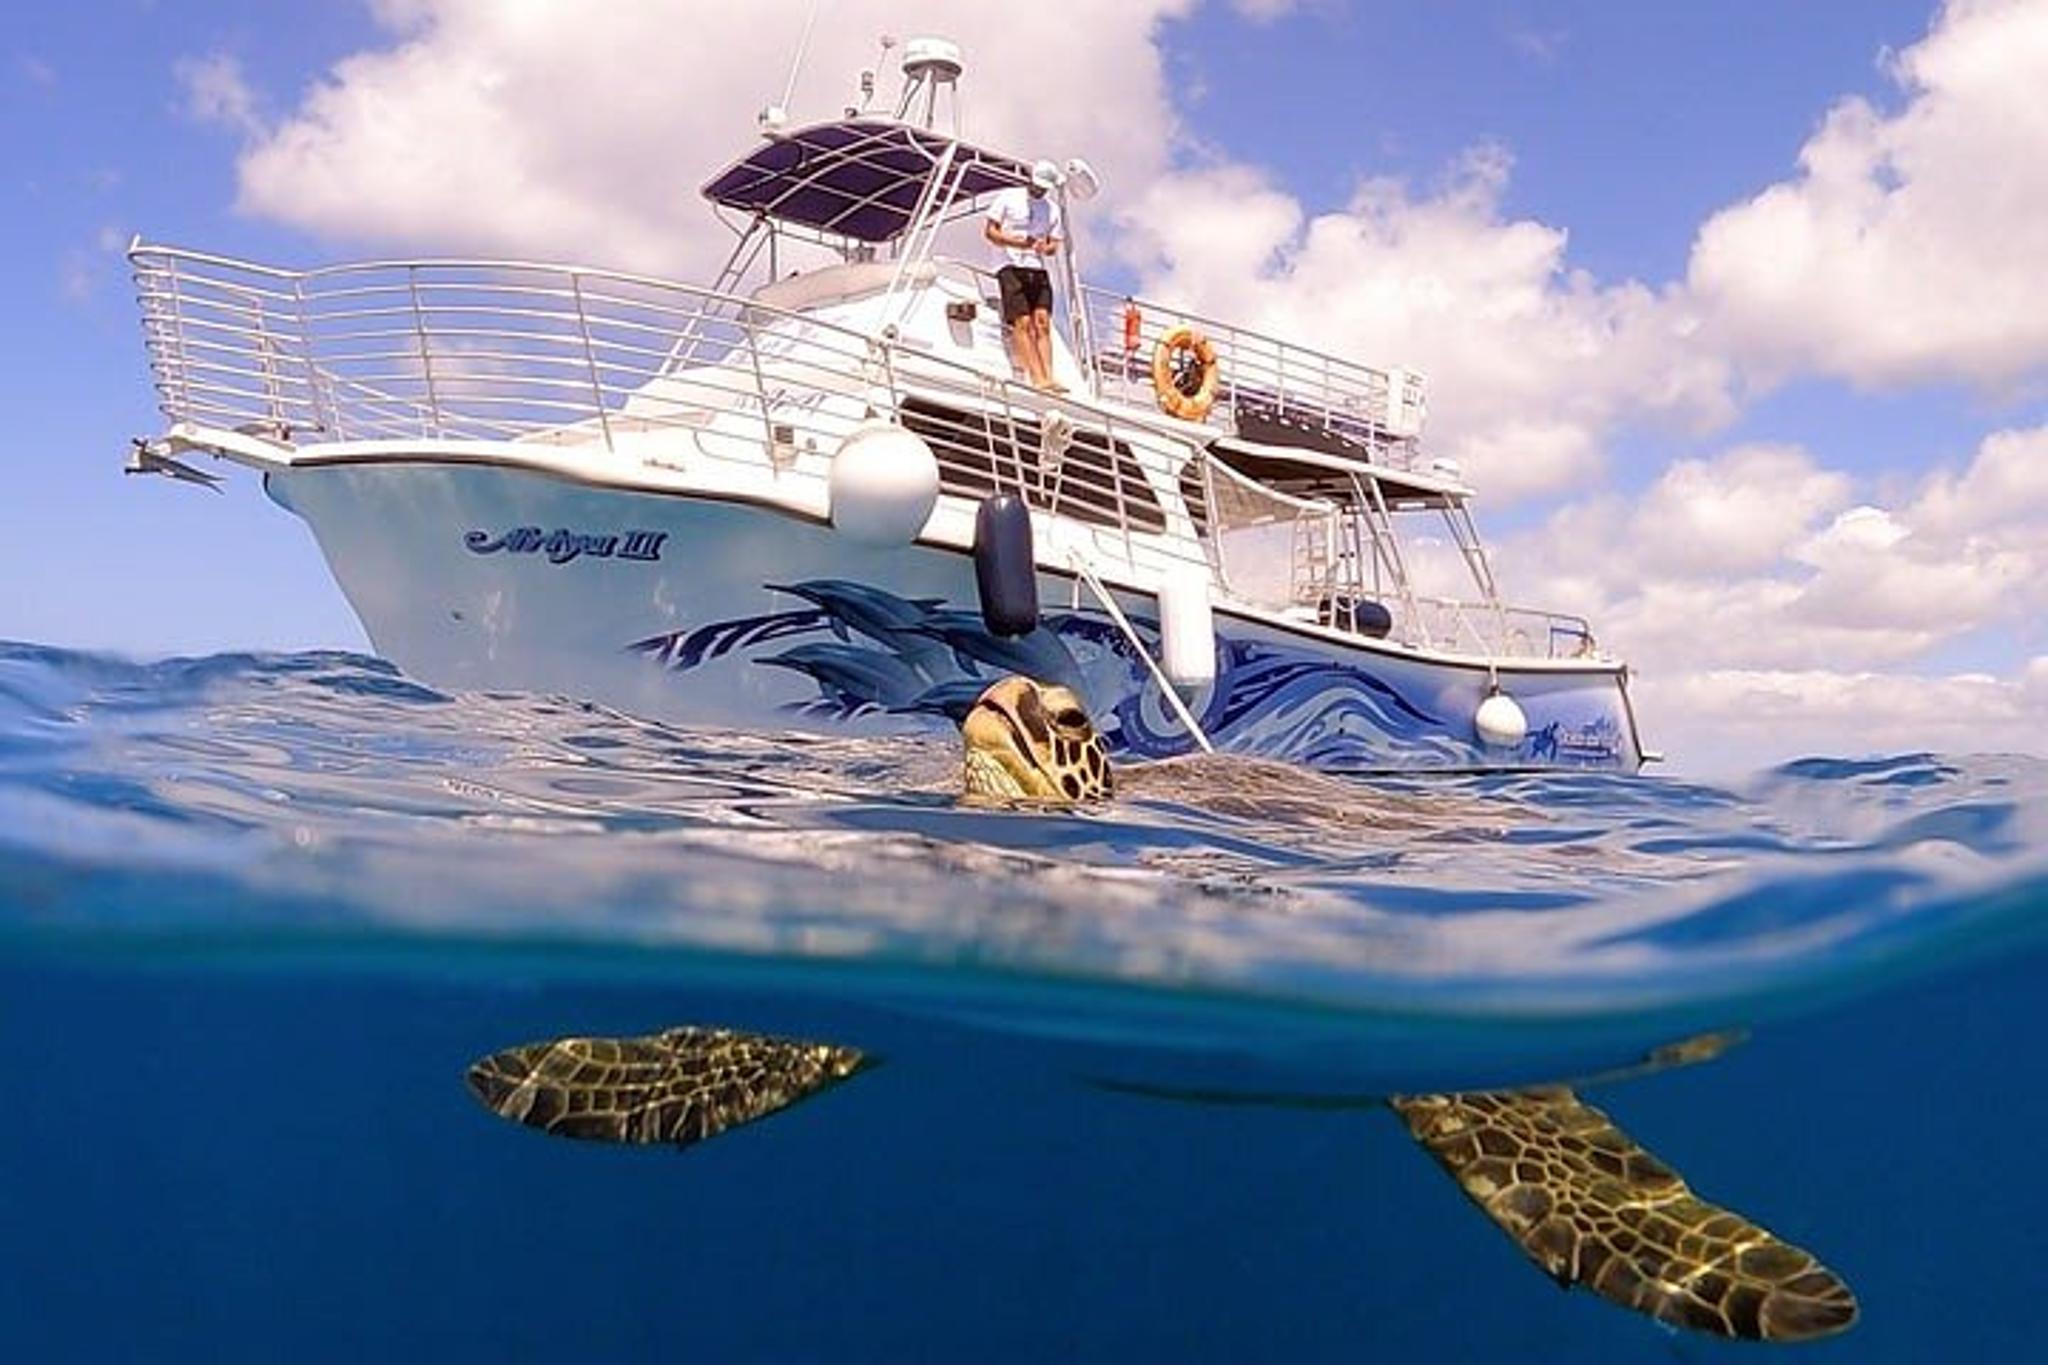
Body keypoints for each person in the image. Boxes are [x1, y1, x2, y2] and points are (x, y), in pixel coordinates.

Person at [984, 159, 1065, 392]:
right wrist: (1018, 242)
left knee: (1042, 321)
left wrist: (1042, 248)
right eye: (1037, 185)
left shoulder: (1052, 210)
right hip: (1008, 265)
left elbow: (1054, 245)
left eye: (1043, 188)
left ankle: (1049, 376)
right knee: (1023, 321)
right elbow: (990, 232)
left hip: (1036, 268)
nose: (1039, 190)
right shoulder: (1008, 197)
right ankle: (1037, 378)